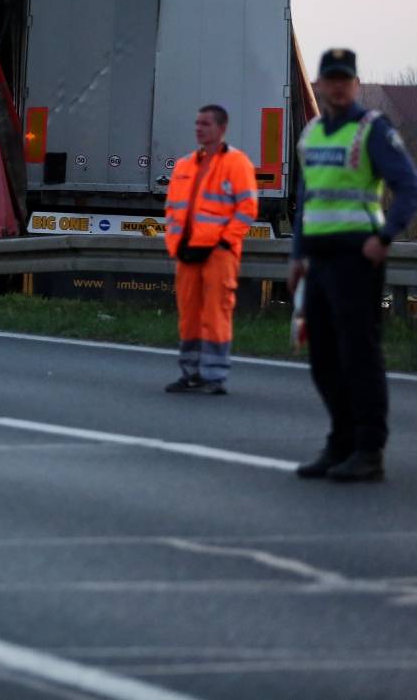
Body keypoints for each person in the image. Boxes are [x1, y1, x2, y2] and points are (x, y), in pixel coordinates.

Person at [289, 49, 417, 482]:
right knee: (323, 357)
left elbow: (407, 186)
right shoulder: (312, 135)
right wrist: (297, 256)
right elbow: (308, 202)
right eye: (332, 79)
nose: (339, 86)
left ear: (355, 85)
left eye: (346, 79)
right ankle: (340, 441)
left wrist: (385, 237)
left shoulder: (372, 130)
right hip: (320, 261)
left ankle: (368, 448)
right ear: (320, 85)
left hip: (357, 260)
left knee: (358, 355)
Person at [162, 104, 259, 396]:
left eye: (205, 124)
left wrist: (227, 242)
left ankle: (214, 376)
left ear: (221, 128)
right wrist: (174, 244)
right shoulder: (183, 165)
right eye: (197, 123)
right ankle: (190, 373)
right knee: (188, 313)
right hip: (187, 252)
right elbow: (172, 210)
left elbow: (247, 208)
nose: (199, 128)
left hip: (218, 252)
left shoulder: (237, 163)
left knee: (216, 313)